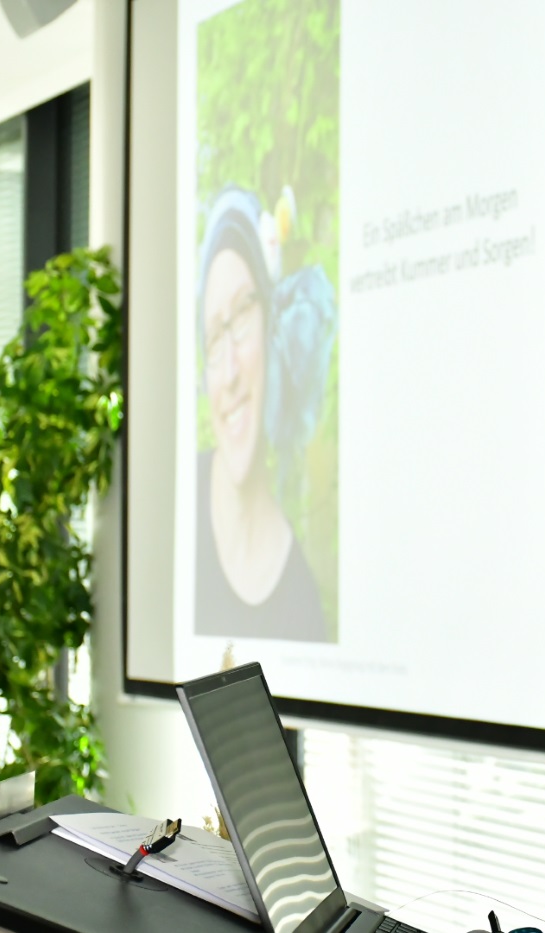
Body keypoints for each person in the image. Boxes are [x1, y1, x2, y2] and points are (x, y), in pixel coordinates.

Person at [196, 184, 337, 641]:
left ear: (272, 324)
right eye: (215, 339)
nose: (231, 371)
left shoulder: (301, 600)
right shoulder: (182, 516)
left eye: (241, 315)